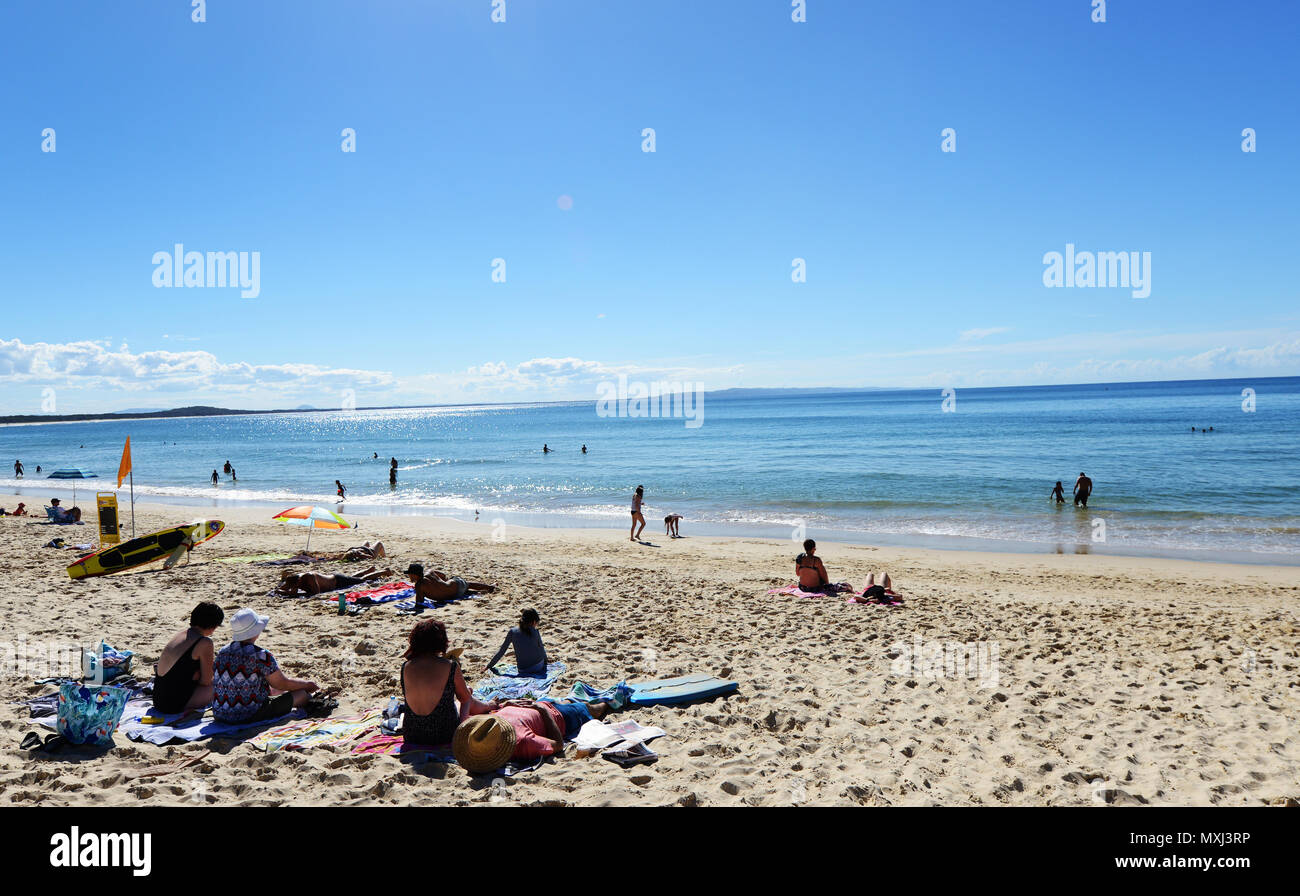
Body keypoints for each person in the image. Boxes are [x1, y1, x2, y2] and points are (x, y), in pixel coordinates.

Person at [399, 619, 497, 746]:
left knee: (462, 695)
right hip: (444, 734)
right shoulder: (450, 666)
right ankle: (469, 724)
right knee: (467, 695)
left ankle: (488, 705)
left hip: (412, 734)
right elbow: (465, 699)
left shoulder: (406, 666)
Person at [212, 608, 318, 724]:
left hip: (220, 713)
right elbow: (282, 683)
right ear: (256, 632)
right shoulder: (260, 655)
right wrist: (307, 684)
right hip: (248, 715)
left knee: (273, 689)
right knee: (302, 695)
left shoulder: (223, 651)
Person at [153, 602, 224, 713]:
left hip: (158, 699)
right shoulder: (204, 643)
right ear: (213, 626)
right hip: (172, 704)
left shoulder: (180, 634)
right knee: (222, 686)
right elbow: (206, 681)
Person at [405, 563, 496, 610]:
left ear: (414, 575)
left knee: (468, 585)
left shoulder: (419, 585)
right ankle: (489, 587)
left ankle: (490, 587)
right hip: (456, 587)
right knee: (467, 585)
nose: (409, 576)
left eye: (409, 574)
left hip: (453, 595)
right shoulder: (429, 572)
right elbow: (443, 575)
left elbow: (419, 604)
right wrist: (441, 583)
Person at [487, 609, 548, 676]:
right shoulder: (535, 632)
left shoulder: (512, 632)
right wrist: (546, 662)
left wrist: (489, 666)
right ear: (533, 622)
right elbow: (542, 650)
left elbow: (502, 651)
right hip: (537, 667)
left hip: (522, 669)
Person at [274, 566, 393, 597]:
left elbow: (316, 593)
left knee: (362, 580)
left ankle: (384, 571)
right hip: (336, 580)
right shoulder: (293, 580)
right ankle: (368, 570)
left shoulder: (309, 577)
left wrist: (291, 593)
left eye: (297, 585)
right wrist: (284, 591)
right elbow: (280, 589)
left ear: (299, 581)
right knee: (352, 578)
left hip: (336, 581)